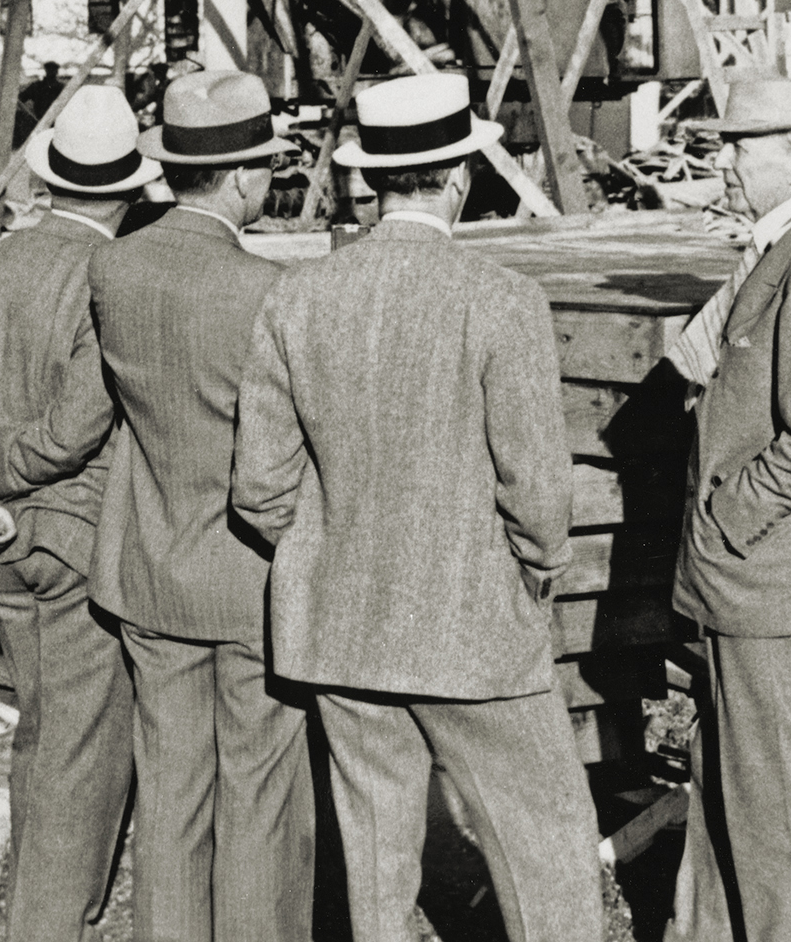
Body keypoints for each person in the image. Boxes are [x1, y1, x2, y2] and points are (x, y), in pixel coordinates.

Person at [232, 72, 603, 942]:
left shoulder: (295, 296)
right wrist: (537, 573)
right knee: (543, 839)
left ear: (370, 180)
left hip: (341, 627)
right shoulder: (502, 299)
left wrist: (328, 549)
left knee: (375, 857)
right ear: (461, 176)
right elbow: (537, 490)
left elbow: (258, 485)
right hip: (473, 627)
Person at [0, 85, 161, 942]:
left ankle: (52, 912)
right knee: (76, 753)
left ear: (51, 181)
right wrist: (10, 485)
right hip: (70, 538)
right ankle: (48, 926)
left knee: (44, 734)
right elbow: (80, 424)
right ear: (129, 190)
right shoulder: (108, 276)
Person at [88, 69, 314, 942]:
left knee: (172, 795)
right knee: (258, 799)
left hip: (150, 571)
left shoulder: (114, 267)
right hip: (253, 581)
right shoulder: (269, 290)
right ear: (244, 178)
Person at [663, 73, 791, 942]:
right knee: (727, 778)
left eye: (738, 147)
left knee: (776, 800)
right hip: (743, 579)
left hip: (767, 576)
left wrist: (724, 516)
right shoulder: (772, 245)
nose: (723, 162)